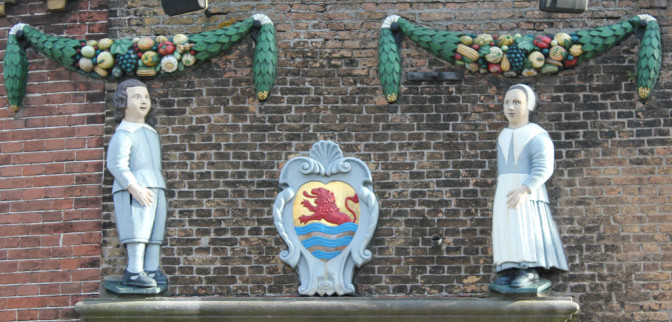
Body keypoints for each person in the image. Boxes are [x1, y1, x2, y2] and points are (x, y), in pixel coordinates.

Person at [492, 84, 568, 288]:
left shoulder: (536, 134)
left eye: (517, 102)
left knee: (525, 227)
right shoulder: (504, 134)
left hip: (526, 192)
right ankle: (508, 267)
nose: (511, 107)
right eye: (507, 102)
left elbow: (544, 167)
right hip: (505, 189)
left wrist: (524, 188)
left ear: (528, 106)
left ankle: (528, 268)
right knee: (505, 227)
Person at [107, 79, 167, 288]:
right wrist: (133, 187)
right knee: (137, 228)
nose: (143, 101)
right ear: (123, 102)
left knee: (155, 230)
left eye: (145, 97)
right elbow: (116, 164)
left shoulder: (150, 131)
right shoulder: (124, 133)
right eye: (136, 97)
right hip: (134, 186)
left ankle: (151, 268)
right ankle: (134, 270)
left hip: (155, 184)